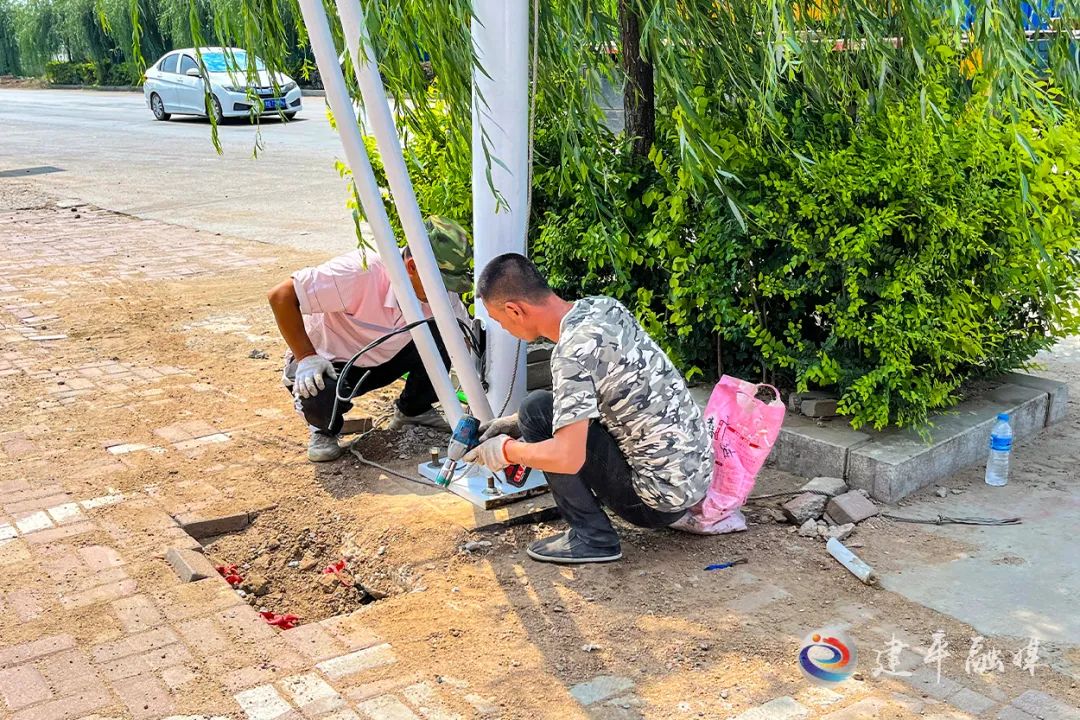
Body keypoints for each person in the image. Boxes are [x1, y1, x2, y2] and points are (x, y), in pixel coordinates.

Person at [463, 253, 713, 564]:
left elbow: (567, 458)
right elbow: (595, 386)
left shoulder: (570, 353)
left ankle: (593, 539)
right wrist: (512, 423)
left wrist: (506, 450)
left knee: (537, 414)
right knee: (535, 410)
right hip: (693, 479)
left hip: (656, 503)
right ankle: (593, 529)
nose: (505, 328)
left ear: (515, 309)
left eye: (501, 320)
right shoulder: (603, 307)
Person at [268, 217, 473, 462]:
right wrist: (307, 357)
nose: (445, 291)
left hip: (384, 360)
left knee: (443, 331)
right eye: (442, 282)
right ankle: (323, 430)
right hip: (333, 363)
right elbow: (281, 296)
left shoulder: (441, 292)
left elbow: (466, 340)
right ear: (412, 266)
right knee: (317, 390)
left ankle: (413, 410)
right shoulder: (359, 272)